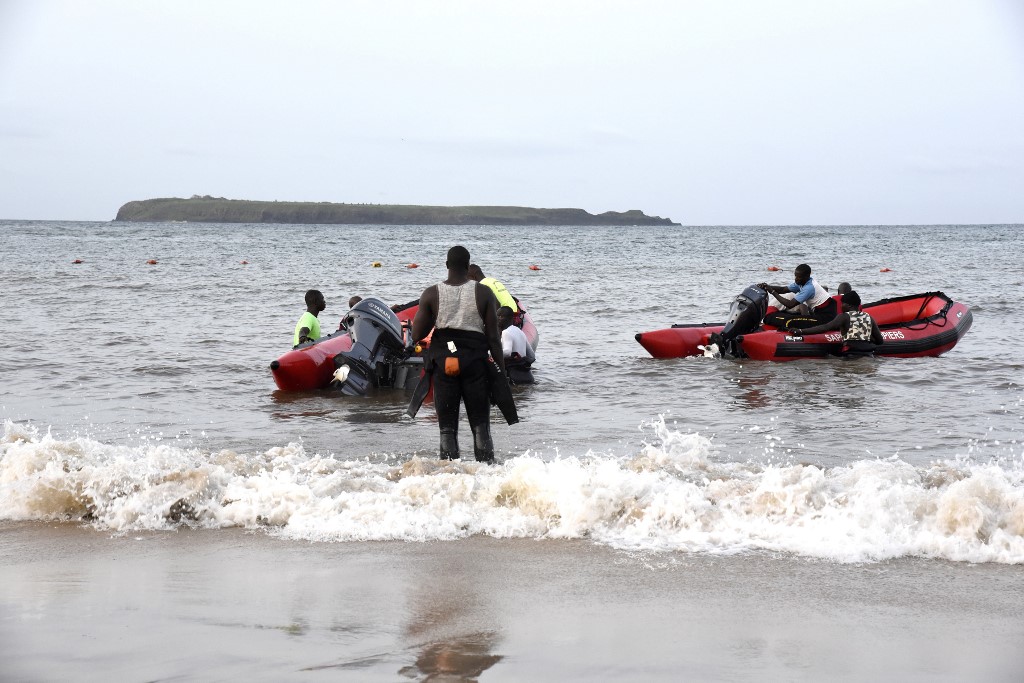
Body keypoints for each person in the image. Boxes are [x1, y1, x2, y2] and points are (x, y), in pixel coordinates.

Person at [411, 246, 507, 462]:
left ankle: (450, 477)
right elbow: (493, 337)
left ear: (446, 265)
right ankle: (487, 475)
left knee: (447, 430)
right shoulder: (483, 293)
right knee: (480, 427)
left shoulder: (431, 293)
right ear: (467, 265)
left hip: (447, 364)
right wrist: (501, 372)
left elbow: (417, 334)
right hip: (474, 364)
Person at [800, 290, 884, 355]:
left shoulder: (844, 316)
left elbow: (825, 327)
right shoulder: (869, 317)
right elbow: (880, 341)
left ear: (849, 305)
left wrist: (801, 331)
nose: (841, 306)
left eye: (843, 303)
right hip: (868, 354)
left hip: (852, 356)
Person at [759, 264, 837, 330]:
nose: (796, 279)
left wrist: (772, 292)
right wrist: (766, 286)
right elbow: (783, 289)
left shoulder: (809, 288)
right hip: (816, 313)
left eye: (799, 277)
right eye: (795, 276)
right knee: (782, 315)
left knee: (789, 321)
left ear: (807, 276)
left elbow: (790, 304)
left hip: (825, 317)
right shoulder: (801, 282)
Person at [497, 305, 535, 384]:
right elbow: (532, 356)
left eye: (499, 316)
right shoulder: (520, 331)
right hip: (528, 377)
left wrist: (491, 353)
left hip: (514, 377)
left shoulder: (506, 332)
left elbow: (507, 352)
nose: (497, 319)